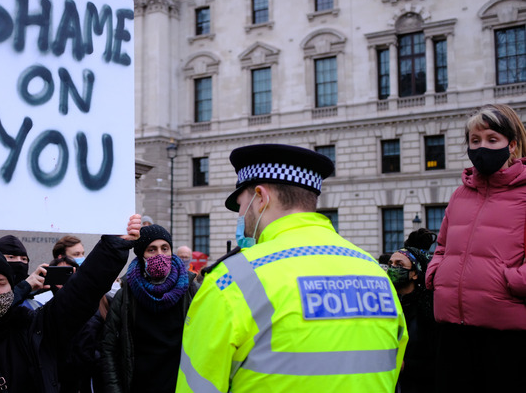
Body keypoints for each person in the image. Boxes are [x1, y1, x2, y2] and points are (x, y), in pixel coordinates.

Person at [177, 144, 407, 392]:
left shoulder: (231, 280)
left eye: (242, 205)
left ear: (261, 197)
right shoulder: (375, 272)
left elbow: (198, 384)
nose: (241, 216)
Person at [0, 215, 141, 393]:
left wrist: (112, 248)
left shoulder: (32, 326)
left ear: (11, 286)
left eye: (1, 283)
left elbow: (81, 292)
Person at [425, 104, 526, 393]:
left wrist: (511, 282)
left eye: (492, 140)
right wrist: (437, 273)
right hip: (452, 329)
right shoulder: (460, 193)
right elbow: (442, 246)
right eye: (475, 140)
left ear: (512, 146)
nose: (482, 147)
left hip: (505, 335)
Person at [101, 224, 199, 393]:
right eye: (151, 250)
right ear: (141, 255)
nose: (160, 255)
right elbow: (109, 348)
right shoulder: (125, 296)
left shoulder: (191, 291)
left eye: (165, 248)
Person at [388, 229, 436, 393]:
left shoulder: (428, 310)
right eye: (390, 264)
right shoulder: (388, 304)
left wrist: (405, 365)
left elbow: (437, 361)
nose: (392, 268)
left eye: (399, 265)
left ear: (415, 273)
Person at [0, 235, 42, 309]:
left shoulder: (36, 298)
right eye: (11, 257)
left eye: (24, 259)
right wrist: (25, 287)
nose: (19, 262)